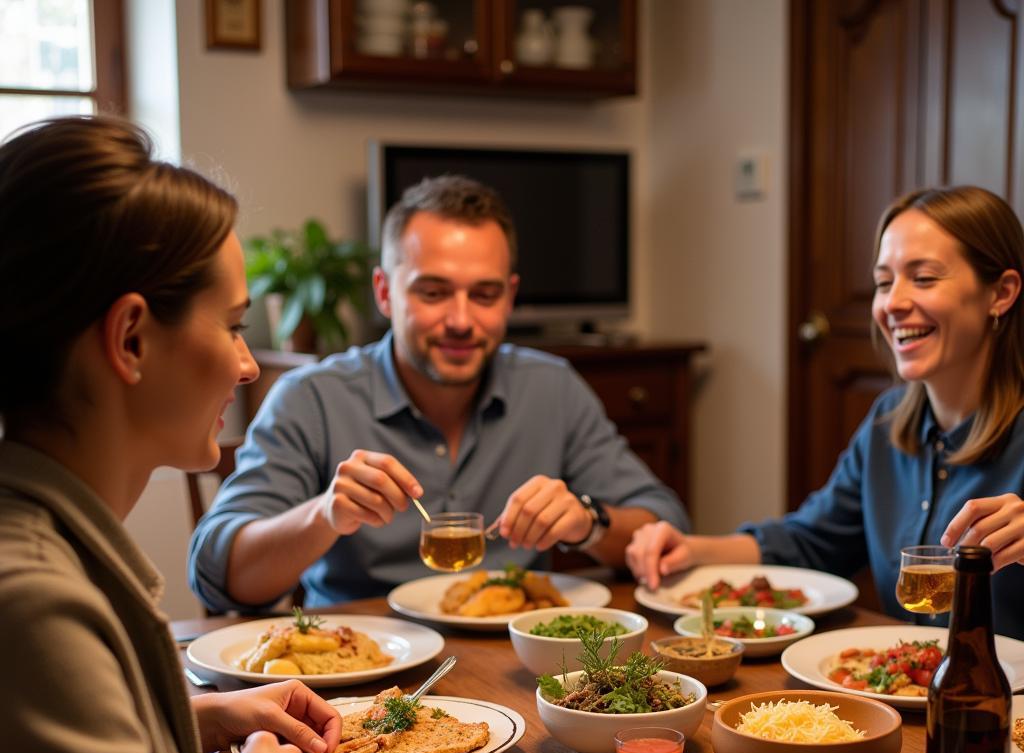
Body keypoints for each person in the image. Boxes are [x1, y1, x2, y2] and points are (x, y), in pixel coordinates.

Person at [0, 115, 343, 753]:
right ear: (131, 340)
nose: (243, 363)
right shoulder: (32, 607)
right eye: (232, 325)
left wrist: (189, 717)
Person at [188, 174, 689, 611]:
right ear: (385, 293)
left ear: (510, 296)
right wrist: (324, 514)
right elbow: (218, 577)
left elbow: (664, 529)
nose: (461, 320)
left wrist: (589, 523)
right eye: (433, 292)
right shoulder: (312, 397)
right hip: (365, 676)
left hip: (520, 668)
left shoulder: (552, 387)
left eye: (485, 295)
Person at [626, 184, 1024, 639]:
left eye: (925, 278)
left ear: (1002, 292)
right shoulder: (886, 422)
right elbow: (811, 540)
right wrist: (693, 549)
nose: (892, 303)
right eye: (883, 282)